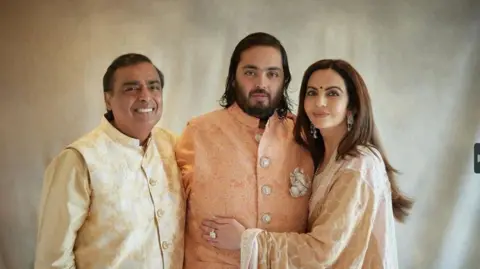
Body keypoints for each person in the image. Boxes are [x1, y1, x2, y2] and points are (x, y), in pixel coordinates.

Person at [201, 59, 414, 268]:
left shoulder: (359, 164)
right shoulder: (322, 159)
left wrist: (245, 240)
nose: (320, 102)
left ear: (352, 106)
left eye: (332, 93)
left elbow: (323, 251)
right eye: (312, 93)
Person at [175, 32, 315, 269]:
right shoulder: (198, 132)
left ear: (284, 81)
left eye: (272, 74)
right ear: (233, 78)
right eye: (250, 72)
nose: (261, 83)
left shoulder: (305, 137)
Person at [34, 53, 185, 269]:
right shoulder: (79, 160)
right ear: (108, 99)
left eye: (153, 87)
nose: (145, 96)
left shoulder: (173, 146)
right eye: (131, 88)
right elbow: (52, 260)